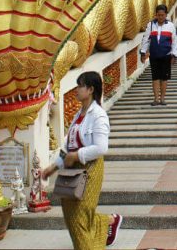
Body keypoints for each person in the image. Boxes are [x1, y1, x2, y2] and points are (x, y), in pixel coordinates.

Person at [42, 71, 121, 248]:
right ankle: (108, 221)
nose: (76, 89)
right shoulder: (78, 115)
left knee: (80, 216)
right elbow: (67, 147)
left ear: (91, 89)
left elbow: (101, 148)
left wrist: (77, 155)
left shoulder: (98, 115)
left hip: (90, 169)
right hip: (71, 170)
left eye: (80, 86)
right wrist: (53, 168)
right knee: (71, 214)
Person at [140, 4, 177, 106]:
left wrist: (174, 55)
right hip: (154, 55)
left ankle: (162, 99)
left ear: (166, 15)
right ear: (156, 15)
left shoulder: (170, 26)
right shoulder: (151, 25)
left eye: (162, 15)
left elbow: (174, 42)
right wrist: (143, 52)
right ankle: (156, 99)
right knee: (155, 77)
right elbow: (146, 40)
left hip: (166, 55)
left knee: (164, 78)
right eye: (158, 15)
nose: (160, 17)